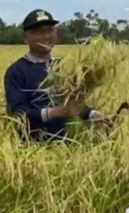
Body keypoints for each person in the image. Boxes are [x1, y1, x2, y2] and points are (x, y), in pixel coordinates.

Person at [4, 9, 106, 142]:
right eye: (39, 32)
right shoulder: (16, 72)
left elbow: (73, 104)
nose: (46, 36)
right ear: (25, 38)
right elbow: (18, 112)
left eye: (50, 30)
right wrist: (58, 112)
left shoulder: (63, 66)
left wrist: (93, 115)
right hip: (34, 147)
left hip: (69, 143)